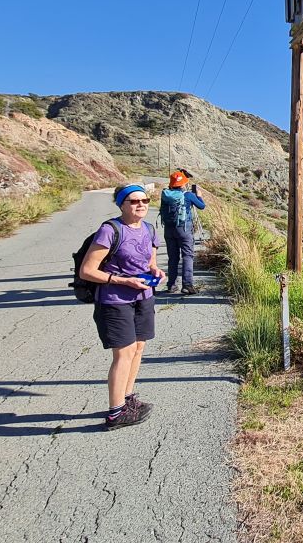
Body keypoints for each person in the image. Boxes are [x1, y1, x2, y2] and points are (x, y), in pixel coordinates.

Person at [80, 184, 165, 430]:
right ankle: (116, 413)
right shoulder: (110, 230)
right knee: (123, 353)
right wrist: (122, 280)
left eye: (145, 200)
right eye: (134, 201)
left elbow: (150, 262)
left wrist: (155, 272)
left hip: (143, 297)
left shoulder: (149, 229)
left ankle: (127, 399)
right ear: (121, 204)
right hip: (115, 300)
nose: (141, 205)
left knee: (138, 348)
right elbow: (87, 270)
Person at [159, 170, 206, 295]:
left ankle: (171, 285)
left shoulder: (165, 194)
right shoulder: (188, 195)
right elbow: (202, 206)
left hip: (169, 229)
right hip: (184, 229)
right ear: (184, 183)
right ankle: (187, 285)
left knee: (173, 258)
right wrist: (199, 195)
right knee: (187, 256)